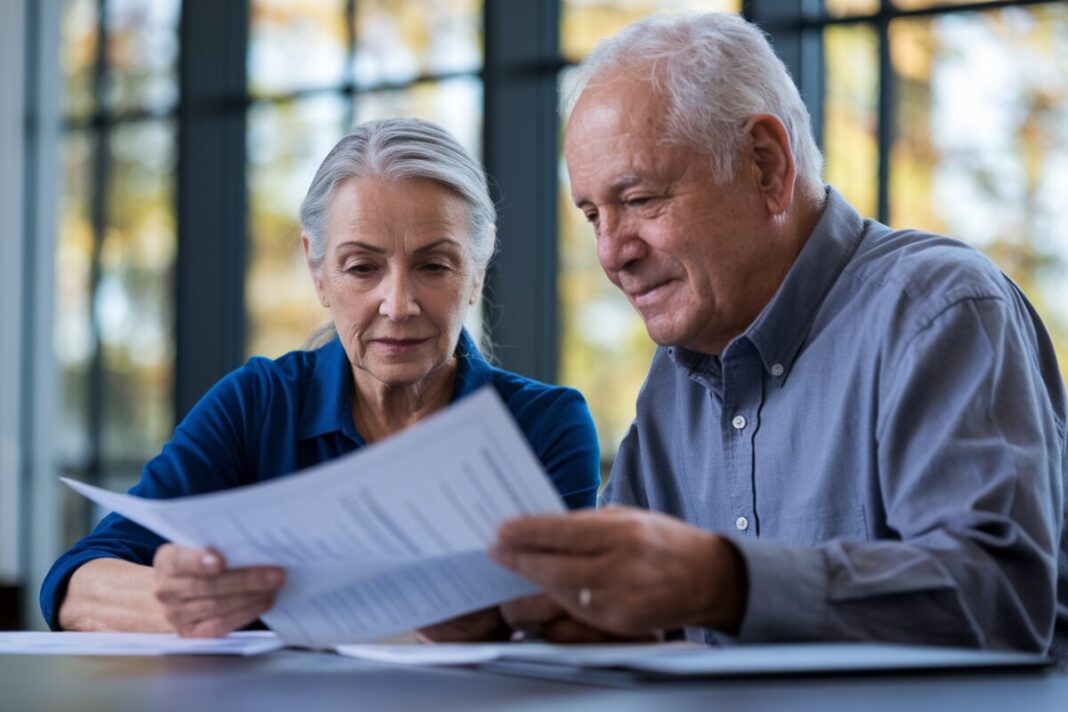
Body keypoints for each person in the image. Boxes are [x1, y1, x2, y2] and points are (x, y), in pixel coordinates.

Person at [490, 12, 1068, 659]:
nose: (611, 252)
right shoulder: (673, 381)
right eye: (594, 214)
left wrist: (723, 580)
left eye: (643, 199)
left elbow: (998, 601)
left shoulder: (939, 309)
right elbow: (638, 622)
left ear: (765, 165)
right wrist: (530, 613)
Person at [41, 118, 600, 640]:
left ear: (477, 269)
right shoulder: (255, 406)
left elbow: (577, 625)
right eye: (362, 268)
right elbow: (73, 584)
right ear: (318, 271)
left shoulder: (545, 426)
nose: (398, 304)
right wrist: (178, 602)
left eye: (434, 266)